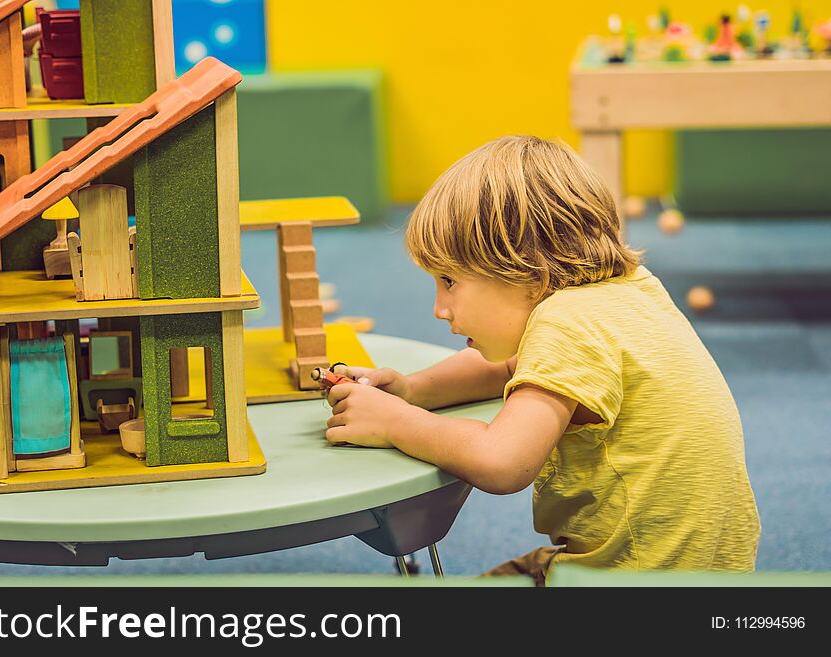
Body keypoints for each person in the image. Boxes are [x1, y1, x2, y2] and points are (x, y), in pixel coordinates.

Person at [325, 135, 760, 585]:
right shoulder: (629, 291)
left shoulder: (566, 322)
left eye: (449, 281)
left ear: (524, 270)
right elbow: (513, 368)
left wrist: (397, 422)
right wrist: (413, 391)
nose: (439, 307)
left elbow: (502, 461)